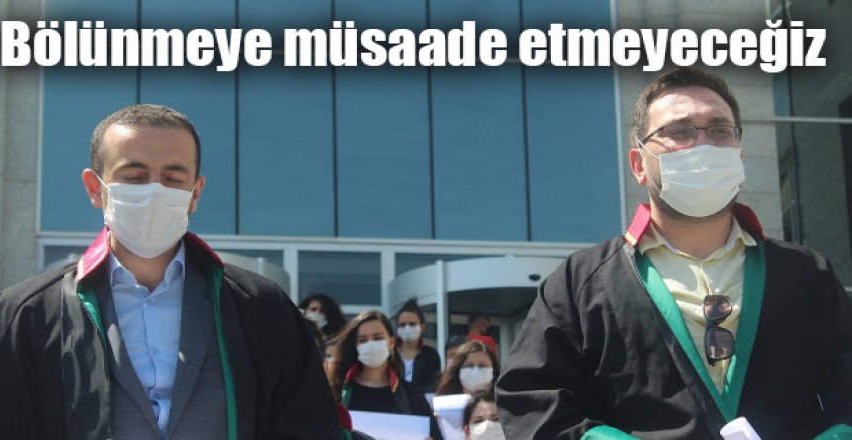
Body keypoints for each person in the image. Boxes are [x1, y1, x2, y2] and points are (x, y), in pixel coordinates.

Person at [496, 67, 852, 439]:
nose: (703, 144)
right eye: (679, 131)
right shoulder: (580, 284)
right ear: (639, 165)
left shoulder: (807, 274)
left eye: (719, 130)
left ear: (740, 153)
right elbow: (530, 401)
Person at [0, 104, 339, 439]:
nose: (154, 191)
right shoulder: (25, 315)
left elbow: (309, 428)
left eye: (173, 178)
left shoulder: (261, 308)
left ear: (196, 192)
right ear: (95, 188)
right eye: (134, 176)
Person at [331, 310, 443, 440]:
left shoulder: (411, 395)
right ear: (356, 346)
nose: (371, 345)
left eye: (378, 338)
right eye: (363, 340)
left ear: (391, 343)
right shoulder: (338, 393)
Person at [395, 299, 441, 392]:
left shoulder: (431, 355)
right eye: (402, 325)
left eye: (412, 324)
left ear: (422, 327)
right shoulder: (389, 354)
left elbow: (433, 386)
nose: (407, 328)